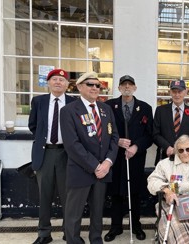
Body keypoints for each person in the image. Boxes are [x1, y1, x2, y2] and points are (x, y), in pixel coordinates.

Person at [60, 71, 119, 244]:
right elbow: (72, 144)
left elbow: (114, 137)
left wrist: (107, 163)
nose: (94, 88)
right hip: (81, 170)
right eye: (90, 84)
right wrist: (95, 166)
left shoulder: (105, 108)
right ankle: (73, 240)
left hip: (103, 170)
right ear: (79, 87)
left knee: (98, 211)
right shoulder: (69, 111)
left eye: (97, 85)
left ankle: (96, 239)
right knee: (74, 213)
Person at [104, 75, 153, 241]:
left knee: (135, 193)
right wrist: (116, 141)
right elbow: (103, 131)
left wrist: (136, 147)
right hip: (115, 156)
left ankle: (136, 226)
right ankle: (115, 227)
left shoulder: (145, 108)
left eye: (130, 84)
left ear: (135, 88)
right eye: (123, 84)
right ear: (118, 88)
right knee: (116, 193)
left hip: (136, 158)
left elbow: (149, 134)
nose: (127, 87)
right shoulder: (109, 106)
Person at [29, 69, 75, 244]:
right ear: (48, 83)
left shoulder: (73, 102)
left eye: (61, 80)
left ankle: (69, 232)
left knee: (68, 196)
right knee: (45, 195)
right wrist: (43, 139)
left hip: (67, 154)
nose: (58, 82)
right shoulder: (38, 101)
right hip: (45, 152)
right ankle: (44, 233)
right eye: (54, 79)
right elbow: (32, 125)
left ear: (66, 84)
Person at [153, 79, 189, 165]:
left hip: (186, 158)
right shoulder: (160, 111)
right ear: (170, 92)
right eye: (174, 92)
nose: (177, 95)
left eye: (180, 91)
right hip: (164, 157)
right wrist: (167, 147)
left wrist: (182, 148)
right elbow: (155, 134)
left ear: (185, 92)